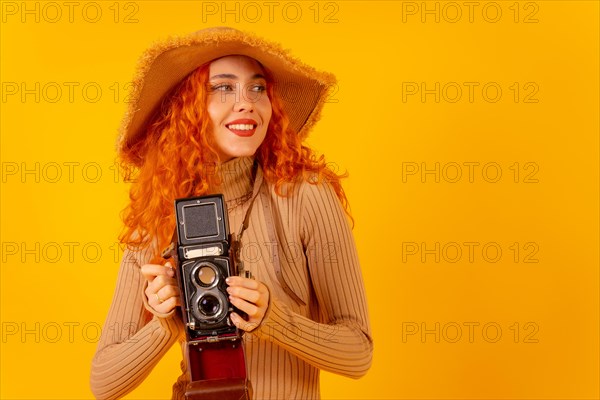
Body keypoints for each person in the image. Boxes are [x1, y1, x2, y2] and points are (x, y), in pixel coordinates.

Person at [90, 27, 373, 400]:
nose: (246, 103)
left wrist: (273, 319)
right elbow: (104, 383)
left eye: (258, 88)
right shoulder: (159, 208)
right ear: (187, 108)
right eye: (223, 88)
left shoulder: (305, 194)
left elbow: (358, 353)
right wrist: (168, 324)